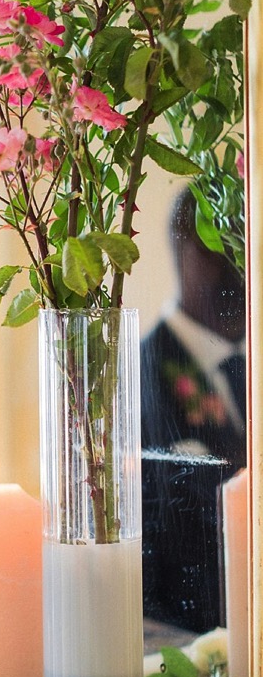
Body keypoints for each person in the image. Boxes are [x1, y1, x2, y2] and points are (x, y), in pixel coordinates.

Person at [140, 189, 247, 477]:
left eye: (247, 252)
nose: (238, 269)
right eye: (219, 249)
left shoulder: (253, 363)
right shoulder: (138, 375)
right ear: (181, 251)